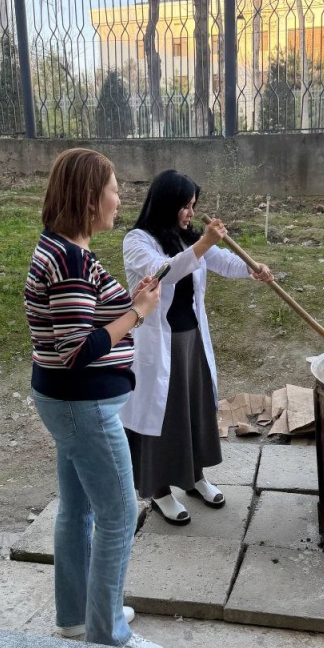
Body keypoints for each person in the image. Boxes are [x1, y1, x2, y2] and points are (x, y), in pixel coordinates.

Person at [24, 148, 165, 648]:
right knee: (119, 514)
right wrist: (140, 314)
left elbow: (84, 320)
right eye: (112, 188)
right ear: (89, 198)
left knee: (79, 509)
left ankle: (77, 617)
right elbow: (77, 350)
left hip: (67, 403)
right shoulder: (67, 259)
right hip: (82, 405)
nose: (119, 197)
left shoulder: (66, 249)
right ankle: (108, 633)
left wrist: (132, 300)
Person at [121, 169, 273, 525]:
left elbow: (221, 260)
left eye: (193, 206)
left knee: (193, 410)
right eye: (185, 206)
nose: (190, 213)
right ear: (167, 203)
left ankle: (194, 478)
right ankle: (159, 490)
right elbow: (164, 272)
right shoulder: (138, 240)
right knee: (165, 416)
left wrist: (252, 268)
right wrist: (202, 243)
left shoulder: (187, 236)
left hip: (191, 341)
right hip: (159, 345)